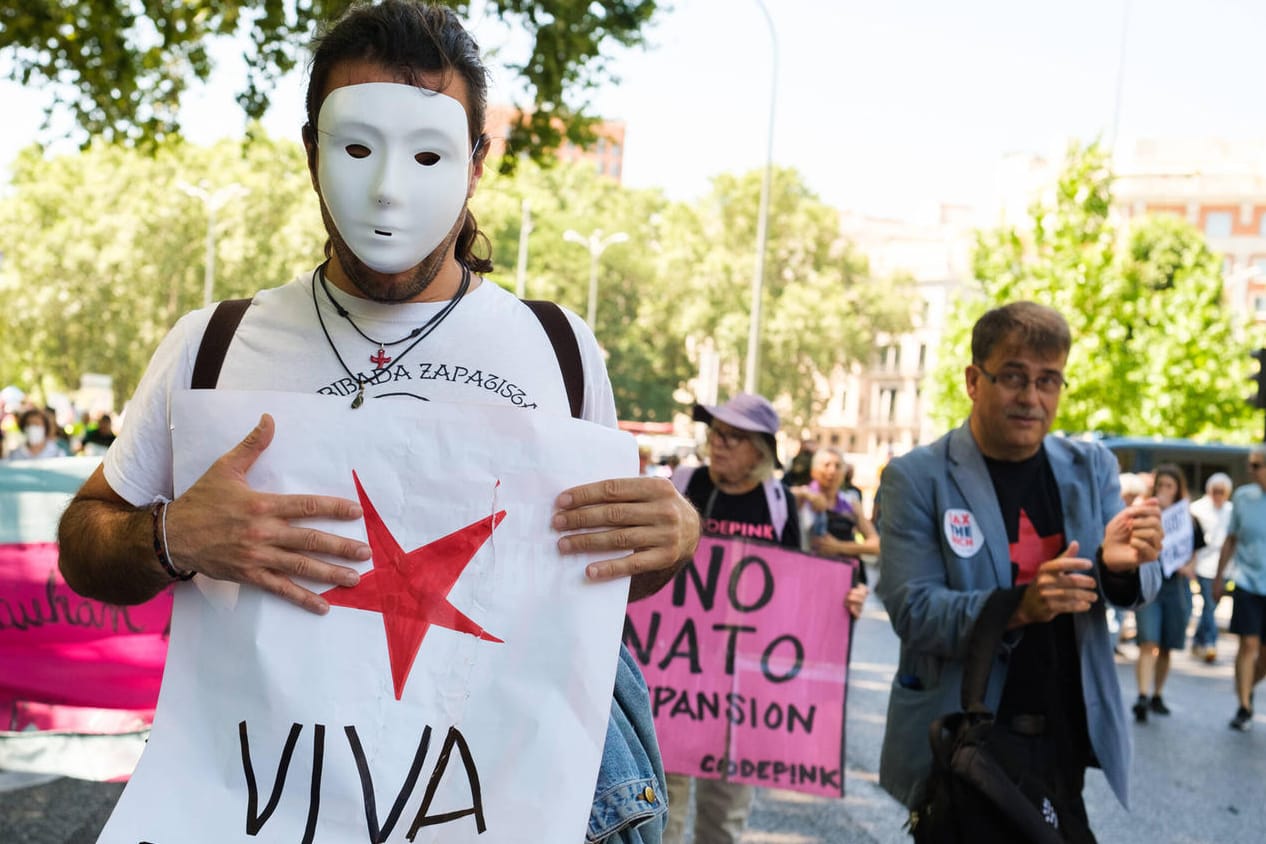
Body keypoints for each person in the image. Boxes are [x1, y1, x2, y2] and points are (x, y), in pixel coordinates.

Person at [55, 4, 700, 842]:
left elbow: (595, 583)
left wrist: (668, 536)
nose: (389, 189)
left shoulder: (559, 353)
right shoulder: (214, 346)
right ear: (312, 155)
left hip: (486, 809)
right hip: (262, 806)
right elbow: (84, 541)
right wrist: (171, 536)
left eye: (428, 154)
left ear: (474, 165)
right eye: (357, 147)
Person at [875, 301, 1162, 840]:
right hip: (966, 742)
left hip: (1062, 738)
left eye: (1048, 380)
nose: (1032, 397)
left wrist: (1119, 567)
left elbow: (1126, 585)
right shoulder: (916, 478)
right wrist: (1021, 606)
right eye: (1013, 377)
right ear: (973, 381)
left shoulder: (1090, 465)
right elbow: (914, 611)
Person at [664, 392, 798, 844]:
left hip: (742, 686)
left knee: (724, 817)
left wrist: (845, 601)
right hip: (675, 674)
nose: (718, 443)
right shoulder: (683, 483)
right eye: (716, 433)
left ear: (760, 451)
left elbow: (800, 585)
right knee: (663, 806)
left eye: (732, 437)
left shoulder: (779, 504)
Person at [1131, 464, 1203, 722]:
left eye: (1169, 487)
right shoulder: (1145, 516)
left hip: (1175, 587)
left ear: (1177, 490)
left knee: (1166, 645)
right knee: (1148, 641)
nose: (1164, 491)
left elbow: (1195, 552)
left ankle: (1156, 694)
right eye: (1160, 485)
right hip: (1151, 583)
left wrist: (1188, 567)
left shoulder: (1189, 520)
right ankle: (1141, 695)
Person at [1213, 445, 1266, 732]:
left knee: (1264, 656)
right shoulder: (1244, 498)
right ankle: (1244, 705)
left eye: (1256, 465)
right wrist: (1219, 577)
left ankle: (1246, 686)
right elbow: (1230, 540)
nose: (1250, 470)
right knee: (1248, 644)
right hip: (1247, 582)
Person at [790, 446, 874, 618]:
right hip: (807, 581)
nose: (832, 471)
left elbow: (876, 545)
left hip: (843, 587)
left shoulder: (851, 503)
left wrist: (839, 547)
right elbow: (785, 493)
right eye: (826, 464)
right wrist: (807, 495)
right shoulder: (802, 498)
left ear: (844, 472)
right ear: (814, 470)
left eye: (837, 466)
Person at [1189, 472, 1233, 663]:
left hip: (1225, 567)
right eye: (1215, 491)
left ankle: (1198, 640)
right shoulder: (1198, 509)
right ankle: (1210, 643)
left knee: (1212, 607)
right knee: (1208, 604)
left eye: (1222, 491)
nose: (1218, 495)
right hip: (1204, 566)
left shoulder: (1231, 510)